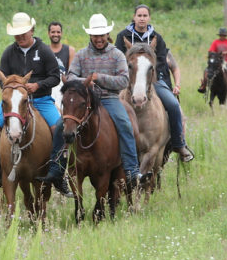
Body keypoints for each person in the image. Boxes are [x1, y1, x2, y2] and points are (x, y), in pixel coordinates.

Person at [38, 14, 146, 191]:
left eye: (102, 35)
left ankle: (132, 170)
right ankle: (56, 170)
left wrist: (99, 78)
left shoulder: (117, 55)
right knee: (60, 126)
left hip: (109, 98)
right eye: (95, 36)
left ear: (107, 35)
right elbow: (71, 76)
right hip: (84, 100)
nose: (99, 39)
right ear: (90, 36)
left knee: (125, 124)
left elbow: (124, 80)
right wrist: (85, 81)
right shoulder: (81, 55)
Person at [0, 12, 66, 195]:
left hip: (41, 99)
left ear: (32, 30)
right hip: (13, 102)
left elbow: (55, 77)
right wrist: (15, 88)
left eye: (24, 33)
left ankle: (57, 172)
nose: (20, 37)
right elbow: (2, 79)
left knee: (59, 128)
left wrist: (38, 85)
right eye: (17, 34)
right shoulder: (9, 52)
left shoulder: (44, 51)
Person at [115, 4, 194, 162]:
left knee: (172, 105)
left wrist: (159, 82)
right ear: (134, 17)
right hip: (129, 81)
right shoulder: (123, 36)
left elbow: (162, 63)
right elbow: (118, 59)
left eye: (145, 15)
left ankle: (179, 144)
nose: (142, 18)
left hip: (154, 81)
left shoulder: (157, 38)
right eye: (139, 15)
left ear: (149, 18)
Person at [198, 27, 227, 94]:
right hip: (217, 61)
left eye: (224, 35)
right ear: (219, 35)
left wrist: (225, 52)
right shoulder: (215, 42)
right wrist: (216, 54)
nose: (222, 36)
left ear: (226, 36)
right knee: (206, 70)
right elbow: (210, 50)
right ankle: (204, 85)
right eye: (221, 35)